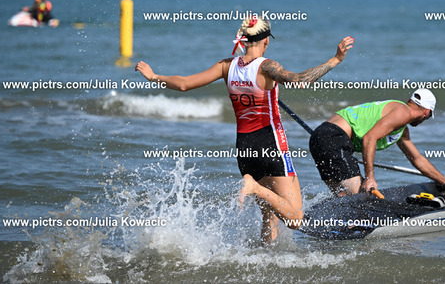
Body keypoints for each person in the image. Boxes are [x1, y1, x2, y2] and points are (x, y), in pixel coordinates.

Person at [135, 16, 354, 244]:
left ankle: (266, 257)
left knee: (270, 213)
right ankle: (254, 188)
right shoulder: (267, 66)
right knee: (295, 218)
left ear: (244, 40)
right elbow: (299, 80)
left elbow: (183, 84)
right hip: (270, 144)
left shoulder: (226, 66)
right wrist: (336, 59)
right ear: (266, 41)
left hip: (244, 148)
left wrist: (153, 76)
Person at [309, 89, 445, 197]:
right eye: (428, 117)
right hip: (334, 138)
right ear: (426, 112)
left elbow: (417, 160)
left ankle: (339, 229)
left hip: (320, 136)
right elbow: (369, 138)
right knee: (360, 199)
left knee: (343, 198)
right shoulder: (403, 112)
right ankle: (361, 230)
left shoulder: (399, 124)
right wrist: (370, 177)